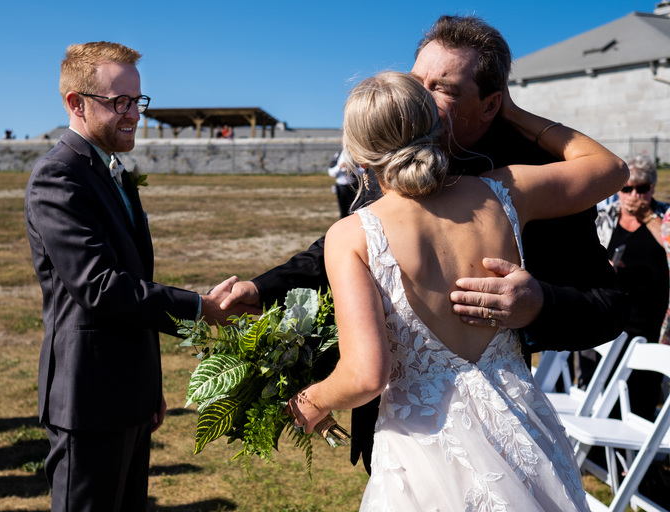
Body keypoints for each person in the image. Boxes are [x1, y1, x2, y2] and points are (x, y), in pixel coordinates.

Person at [215, 14, 628, 474]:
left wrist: (539, 304)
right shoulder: (401, 143)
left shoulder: (527, 178)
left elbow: (610, 305)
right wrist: (260, 289)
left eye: (444, 88)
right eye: (417, 82)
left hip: (505, 431)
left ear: (490, 106)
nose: (418, 101)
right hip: (401, 432)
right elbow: (350, 249)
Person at [287, 70, 626, 511]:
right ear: (438, 129)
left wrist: (309, 401)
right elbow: (610, 168)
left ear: (357, 155)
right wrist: (517, 115)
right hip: (524, 434)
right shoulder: (505, 192)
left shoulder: (352, 235)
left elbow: (366, 374)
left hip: (426, 456)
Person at [24, 41, 252, 511]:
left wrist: (147, 387)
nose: (133, 114)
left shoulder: (113, 172)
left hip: (126, 391)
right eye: (119, 102)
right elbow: (99, 286)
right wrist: (199, 309)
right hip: (88, 397)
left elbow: (133, 278)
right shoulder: (59, 176)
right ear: (76, 103)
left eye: (137, 101)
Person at [588, 154, 669, 420]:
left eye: (642, 188)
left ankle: (636, 457)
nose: (635, 195)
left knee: (642, 392)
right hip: (607, 318)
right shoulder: (606, 217)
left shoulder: (664, 218)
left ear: (651, 189)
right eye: (627, 188)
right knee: (600, 384)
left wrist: (648, 218)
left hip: (649, 321)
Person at [328, 147, 375, 218]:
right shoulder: (339, 154)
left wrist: (353, 168)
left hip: (354, 186)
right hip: (342, 188)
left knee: (355, 210)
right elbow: (331, 172)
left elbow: (365, 170)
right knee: (343, 211)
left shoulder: (356, 153)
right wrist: (340, 167)